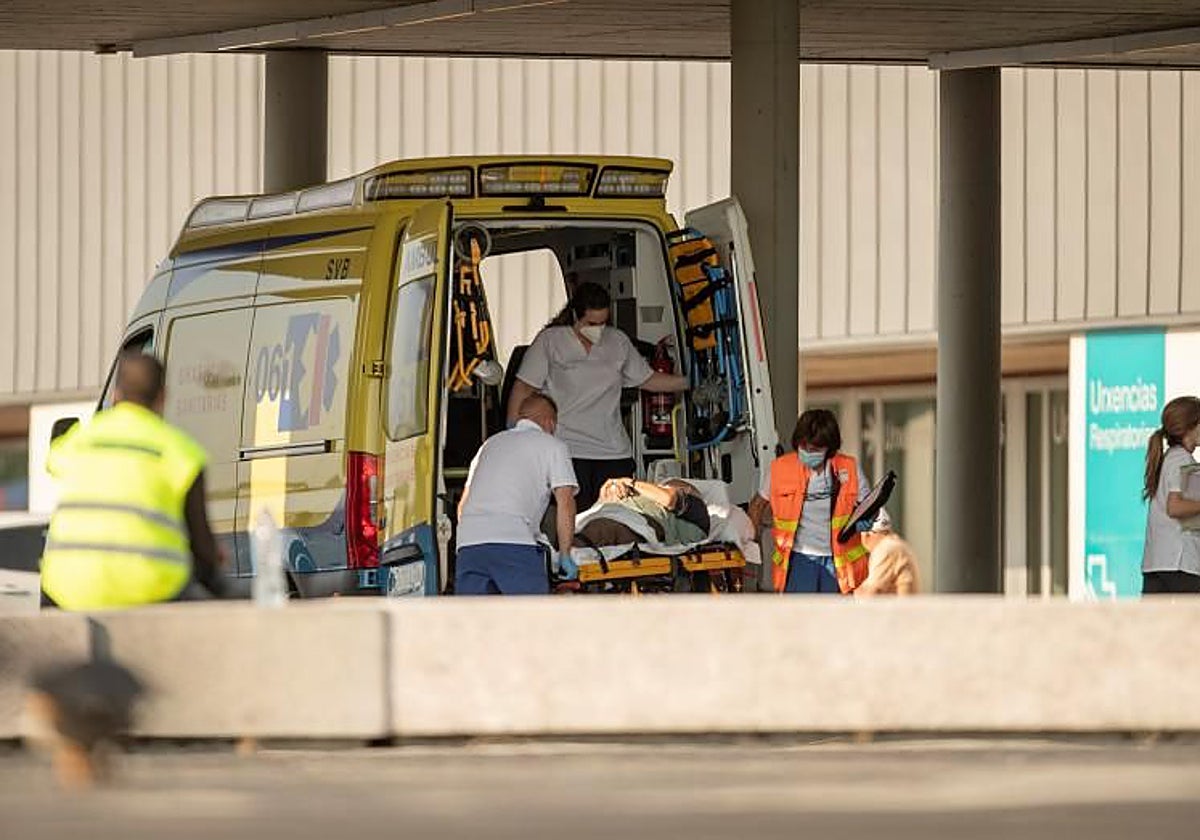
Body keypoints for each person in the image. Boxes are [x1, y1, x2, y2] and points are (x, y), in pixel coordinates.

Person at [40, 352, 225, 609]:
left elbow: (53, 463)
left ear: (116, 394)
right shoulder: (181, 452)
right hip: (150, 591)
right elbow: (203, 549)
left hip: (69, 590)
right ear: (162, 397)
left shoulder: (77, 440)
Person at [506, 282, 688, 511]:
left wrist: (688, 383)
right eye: (592, 324)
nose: (598, 330)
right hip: (566, 448)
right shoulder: (551, 341)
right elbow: (524, 388)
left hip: (612, 450)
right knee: (574, 518)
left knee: (617, 516)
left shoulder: (618, 342)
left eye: (603, 323)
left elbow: (647, 379)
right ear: (575, 315)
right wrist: (512, 436)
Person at [456, 394, 579, 595]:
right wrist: (565, 554)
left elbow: (463, 504)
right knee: (530, 620)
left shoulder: (489, 445)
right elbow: (565, 503)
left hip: (469, 546)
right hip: (513, 544)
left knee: (475, 622)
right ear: (550, 423)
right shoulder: (553, 446)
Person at [748, 409, 871, 594]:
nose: (807, 452)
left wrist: (868, 519)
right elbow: (757, 505)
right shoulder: (780, 469)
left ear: (829, 449)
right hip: (799, 561)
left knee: (834, 621)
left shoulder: (849, 468)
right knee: (801, 620)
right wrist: (750, 544)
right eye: (803, 447)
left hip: (837, 563)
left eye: (815, 449)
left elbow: (869, 505)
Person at [1141, 395, 1200, 595]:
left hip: (1156, 563)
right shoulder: (1182, 460)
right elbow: (1174, 506)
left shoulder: (1168, 459)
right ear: (1192, 427)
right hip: (1179, 563)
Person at [577, 477, 711, 548]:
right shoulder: (648, 493)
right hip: (606, 512)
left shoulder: (694, 505)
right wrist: (609, 489)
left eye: (665, 486)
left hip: (638, 522)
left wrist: (628, 482)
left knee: (601, 529)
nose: (662, 487)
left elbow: (668, 498)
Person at [853, 509, 919, 597]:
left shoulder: (886, 549)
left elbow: (869, 594)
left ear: (867, 535)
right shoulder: (894, 545)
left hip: (901, 610)